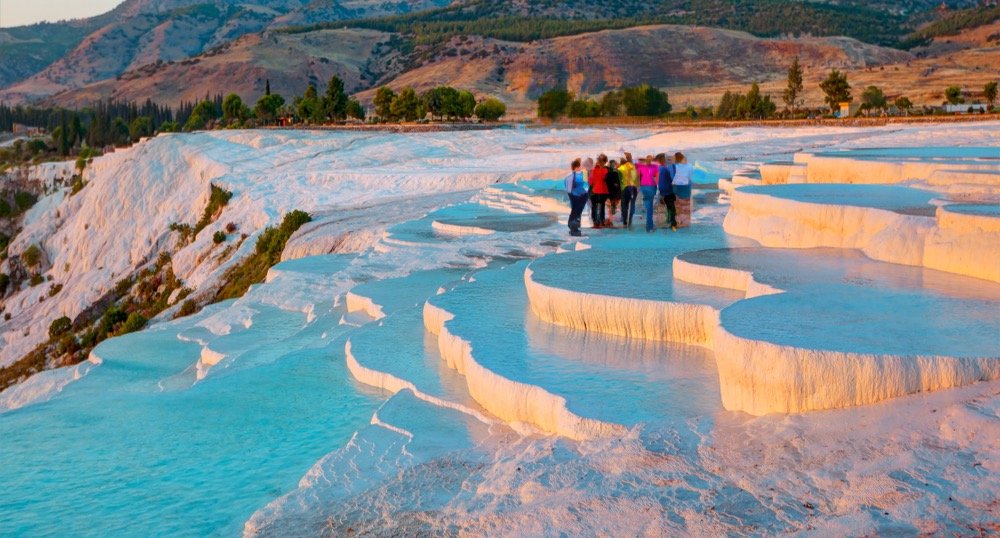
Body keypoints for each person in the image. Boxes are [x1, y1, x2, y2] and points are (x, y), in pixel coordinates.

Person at [563, 158, 589, 237]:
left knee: (574, 211)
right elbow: (586, 185)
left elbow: (567, 187)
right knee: (578, 212)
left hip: (573, 195)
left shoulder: (569, 176)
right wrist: (585, 192)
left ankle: (573, 227)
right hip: (582, 195)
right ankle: (575, 228)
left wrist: (571, 194)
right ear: (577, 166)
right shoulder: (583, 174)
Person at [636, 155, 659, 232]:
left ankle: (649, 225)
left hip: (644, 187)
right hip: (651, 187)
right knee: (649, 208)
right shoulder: (655, 167)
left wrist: (638, 188)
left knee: (648, 207)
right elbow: (657, 178)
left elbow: (637, 178)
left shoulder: (640, 167)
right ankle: (649, 227)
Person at [671, 152, 694, 228]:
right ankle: (685, 223)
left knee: (676, 206)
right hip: (686, 187)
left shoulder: (673, 166)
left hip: (675, 187)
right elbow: (690, 177)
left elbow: (671, 177)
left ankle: (677, 222)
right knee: (686, 207)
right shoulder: (689, 166)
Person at [657, 153, 677, 230]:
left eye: (669, 159)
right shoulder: (664, 168)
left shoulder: (669, 168)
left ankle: (672, 223)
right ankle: (670, 222)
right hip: (666, 191)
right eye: (667, 159)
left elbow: (672, 178)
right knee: (669, 207)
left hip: (668, 191)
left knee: (670, 207)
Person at [618, 153, 638, 228]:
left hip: (624, 188)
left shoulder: (621, 168)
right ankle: (630, 219)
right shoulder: (634, 167)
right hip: (633, 187)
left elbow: (619, 179)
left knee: (624, 205)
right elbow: (637, 177)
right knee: (632, 203)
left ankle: (624, 221)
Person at [589, 154, 610, 228]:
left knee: (594, 207)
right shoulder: (606, 170)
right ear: (605, 162)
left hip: (595, 190)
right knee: (602, 206)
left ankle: (595, 222)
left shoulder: (594, 170)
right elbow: (608, 181)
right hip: (603, 191)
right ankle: (601, 221)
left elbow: (590, 182)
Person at [606, 159, 622, 227]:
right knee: (613, 203)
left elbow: (606, 180)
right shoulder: (616, 172)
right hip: (616, 191)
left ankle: (610, 220)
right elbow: (618, 182)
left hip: (609, 190)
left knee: (610, 206)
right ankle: (610, 219)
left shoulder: (607, 171)